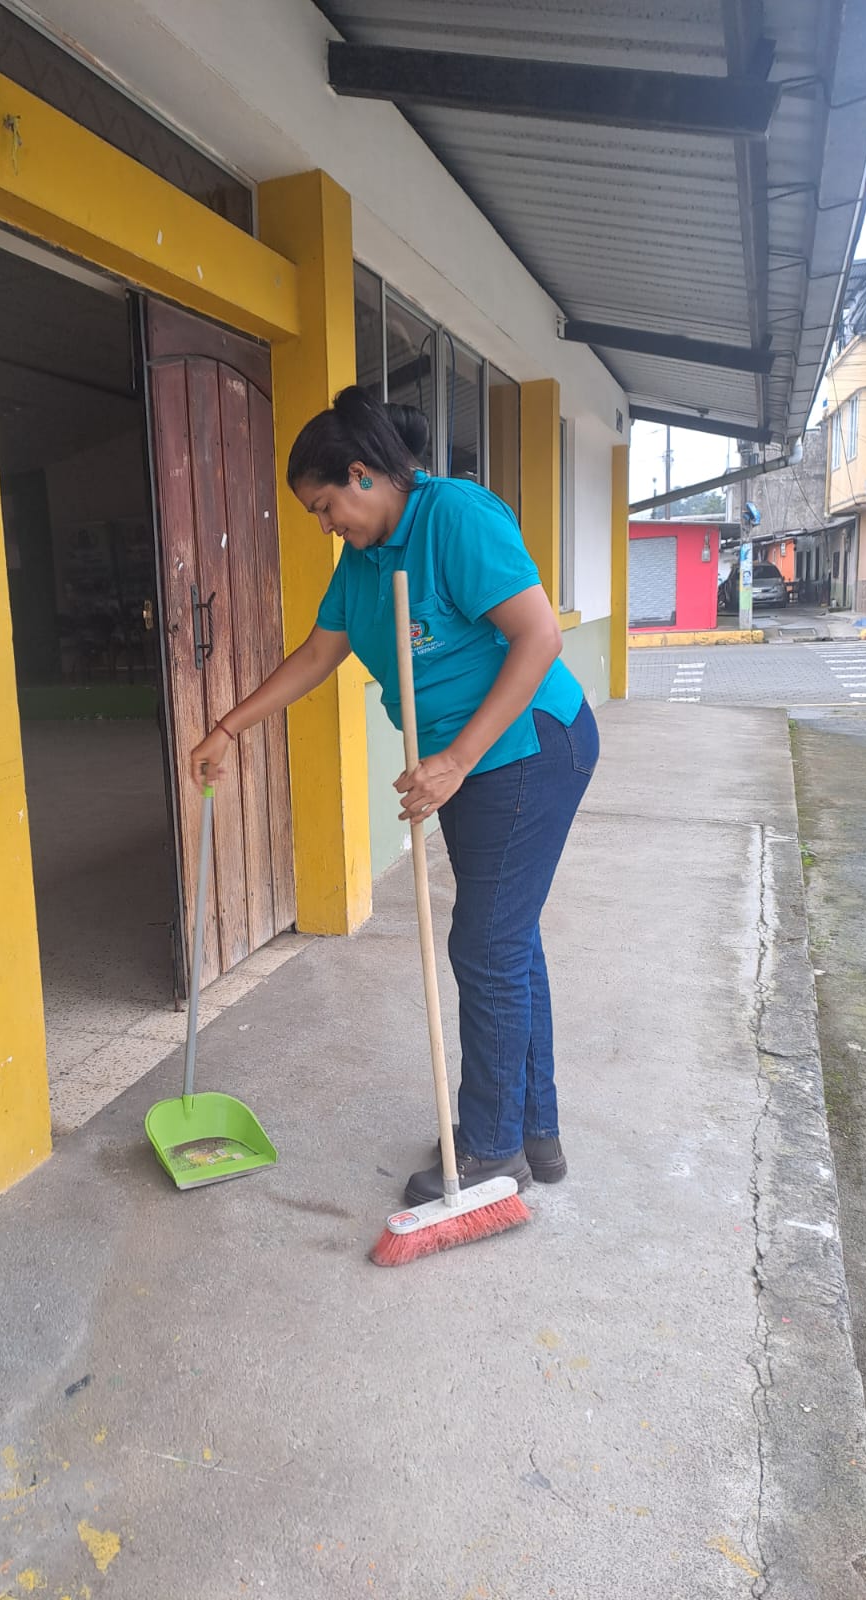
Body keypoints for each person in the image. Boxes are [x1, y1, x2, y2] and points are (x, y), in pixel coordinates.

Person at [189, 386, 599, 1204]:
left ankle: (491, 1150)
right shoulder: (366, 559)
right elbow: (319, 654)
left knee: (486, 946)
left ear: (362, 473)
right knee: (507, 940)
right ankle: (533, 1130)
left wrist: (454, 760)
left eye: (324, 506)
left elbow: (539, 637)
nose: (324, 525)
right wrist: (229, 727)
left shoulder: (456, 518)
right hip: (469, 765)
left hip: (528, 748)